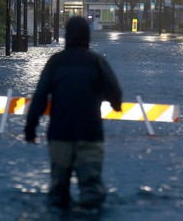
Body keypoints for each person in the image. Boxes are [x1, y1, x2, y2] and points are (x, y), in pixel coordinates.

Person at [25, 16, 123, 209]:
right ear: (88, 37)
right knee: (92, 191)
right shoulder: (97, 62)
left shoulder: (55, 63)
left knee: (58, 193)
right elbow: (115, 92)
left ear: (65, 37)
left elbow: (39, 97)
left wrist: (30, 128)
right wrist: (115, 105)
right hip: (90, 135)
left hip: (60, 135)